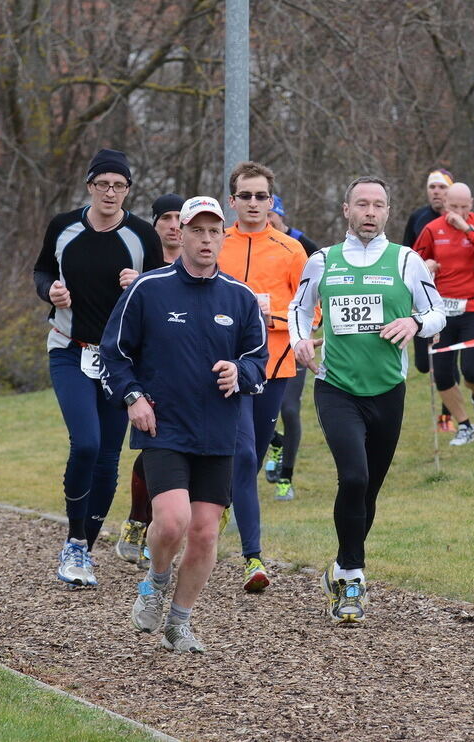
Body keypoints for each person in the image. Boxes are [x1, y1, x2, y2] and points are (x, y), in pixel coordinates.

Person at [99, 195, 268, 653]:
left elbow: (259, 361)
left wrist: (239, 372)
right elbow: (114, 353)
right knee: (172, 523)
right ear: (182, 234)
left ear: (222, 237)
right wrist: (132, 398)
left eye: (214, 231)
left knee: (206, 532)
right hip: (163, 425)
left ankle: (179, 622)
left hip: (218, 430)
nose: (206, 239)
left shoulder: (240, 297)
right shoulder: (148, 289)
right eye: (197, 231)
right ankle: (155, 583)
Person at [289, 176, 445, 624]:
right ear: (346, 210)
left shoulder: (406, 260)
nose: (370, 212)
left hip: (388, 390)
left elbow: (437, 312)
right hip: (336, 387)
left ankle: (341, 566)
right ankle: (354, 578)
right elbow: (299, 308)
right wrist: (300, 340)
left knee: (368, 488)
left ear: (388, 212)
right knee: (354, 477)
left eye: (378, 205)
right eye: (362, 204)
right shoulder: (323, 261)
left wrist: (415, 323)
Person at [33, 148, 163, 587]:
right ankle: (73, 539)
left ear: (128, 190)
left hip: (118, 359)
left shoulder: (141, 236)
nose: (110, 192)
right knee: (85, 444)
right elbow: (42, 270)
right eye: (103, 184)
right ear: (89, 186)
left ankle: (83, 550)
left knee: (108, 457)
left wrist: (140, 282)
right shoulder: (63, 226)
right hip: (69, 349)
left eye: (119, 185)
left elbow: (161, 291)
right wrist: (49, 291)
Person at [221, 161, 308, 592]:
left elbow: (310, 311)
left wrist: (271, 320)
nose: (253, 203)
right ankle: (253, 557)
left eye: (261, 196)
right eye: (245, 196)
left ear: (271, 202)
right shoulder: (218, 243)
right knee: (243, 455)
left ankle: (224, 502)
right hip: (224, 371)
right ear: (232, 200)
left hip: (274, 368)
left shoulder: (291, 250)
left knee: (251, 457)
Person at [115, 193, 185, 569]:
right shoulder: (140, 263)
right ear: (154, 224)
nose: (174, 226)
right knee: (153, 448)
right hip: (148, 369)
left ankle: (153, 528)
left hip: (189, 370)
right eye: (166, 218)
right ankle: (138, 522)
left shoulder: (199, 262)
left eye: (179, 218)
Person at [413, 182, 474, 446]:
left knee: (472, 371)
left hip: (473, 307)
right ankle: (464, 425)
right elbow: (412, 263)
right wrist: (425, 265)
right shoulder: (432, 229)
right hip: (441, 311)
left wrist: (467, 229)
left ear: (471, 204)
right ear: (444, 205)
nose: (457, 212)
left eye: (463, 207)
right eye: (453, 207)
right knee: (442, 374)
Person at [263, 194, 320, 501]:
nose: (267, 221)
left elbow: (321, 284)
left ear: (281, 216)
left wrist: (311, 324)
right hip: (258, 343)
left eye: (271, 216)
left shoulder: (300, 244)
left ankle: (286, 476)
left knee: (289, 408)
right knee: (258, 410)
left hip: (293, 339)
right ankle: (275, 442)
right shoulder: (247, 245)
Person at [403, 168, 456, 432]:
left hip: (451, 296)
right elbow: (405, 255)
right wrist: (424, 266)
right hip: (421, 296)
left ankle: (447, 417)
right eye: (432, 187)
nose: (436, 192)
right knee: (424, 365)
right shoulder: (418, 218)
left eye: (442, 187)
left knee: (447, 360)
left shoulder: (457, 219)